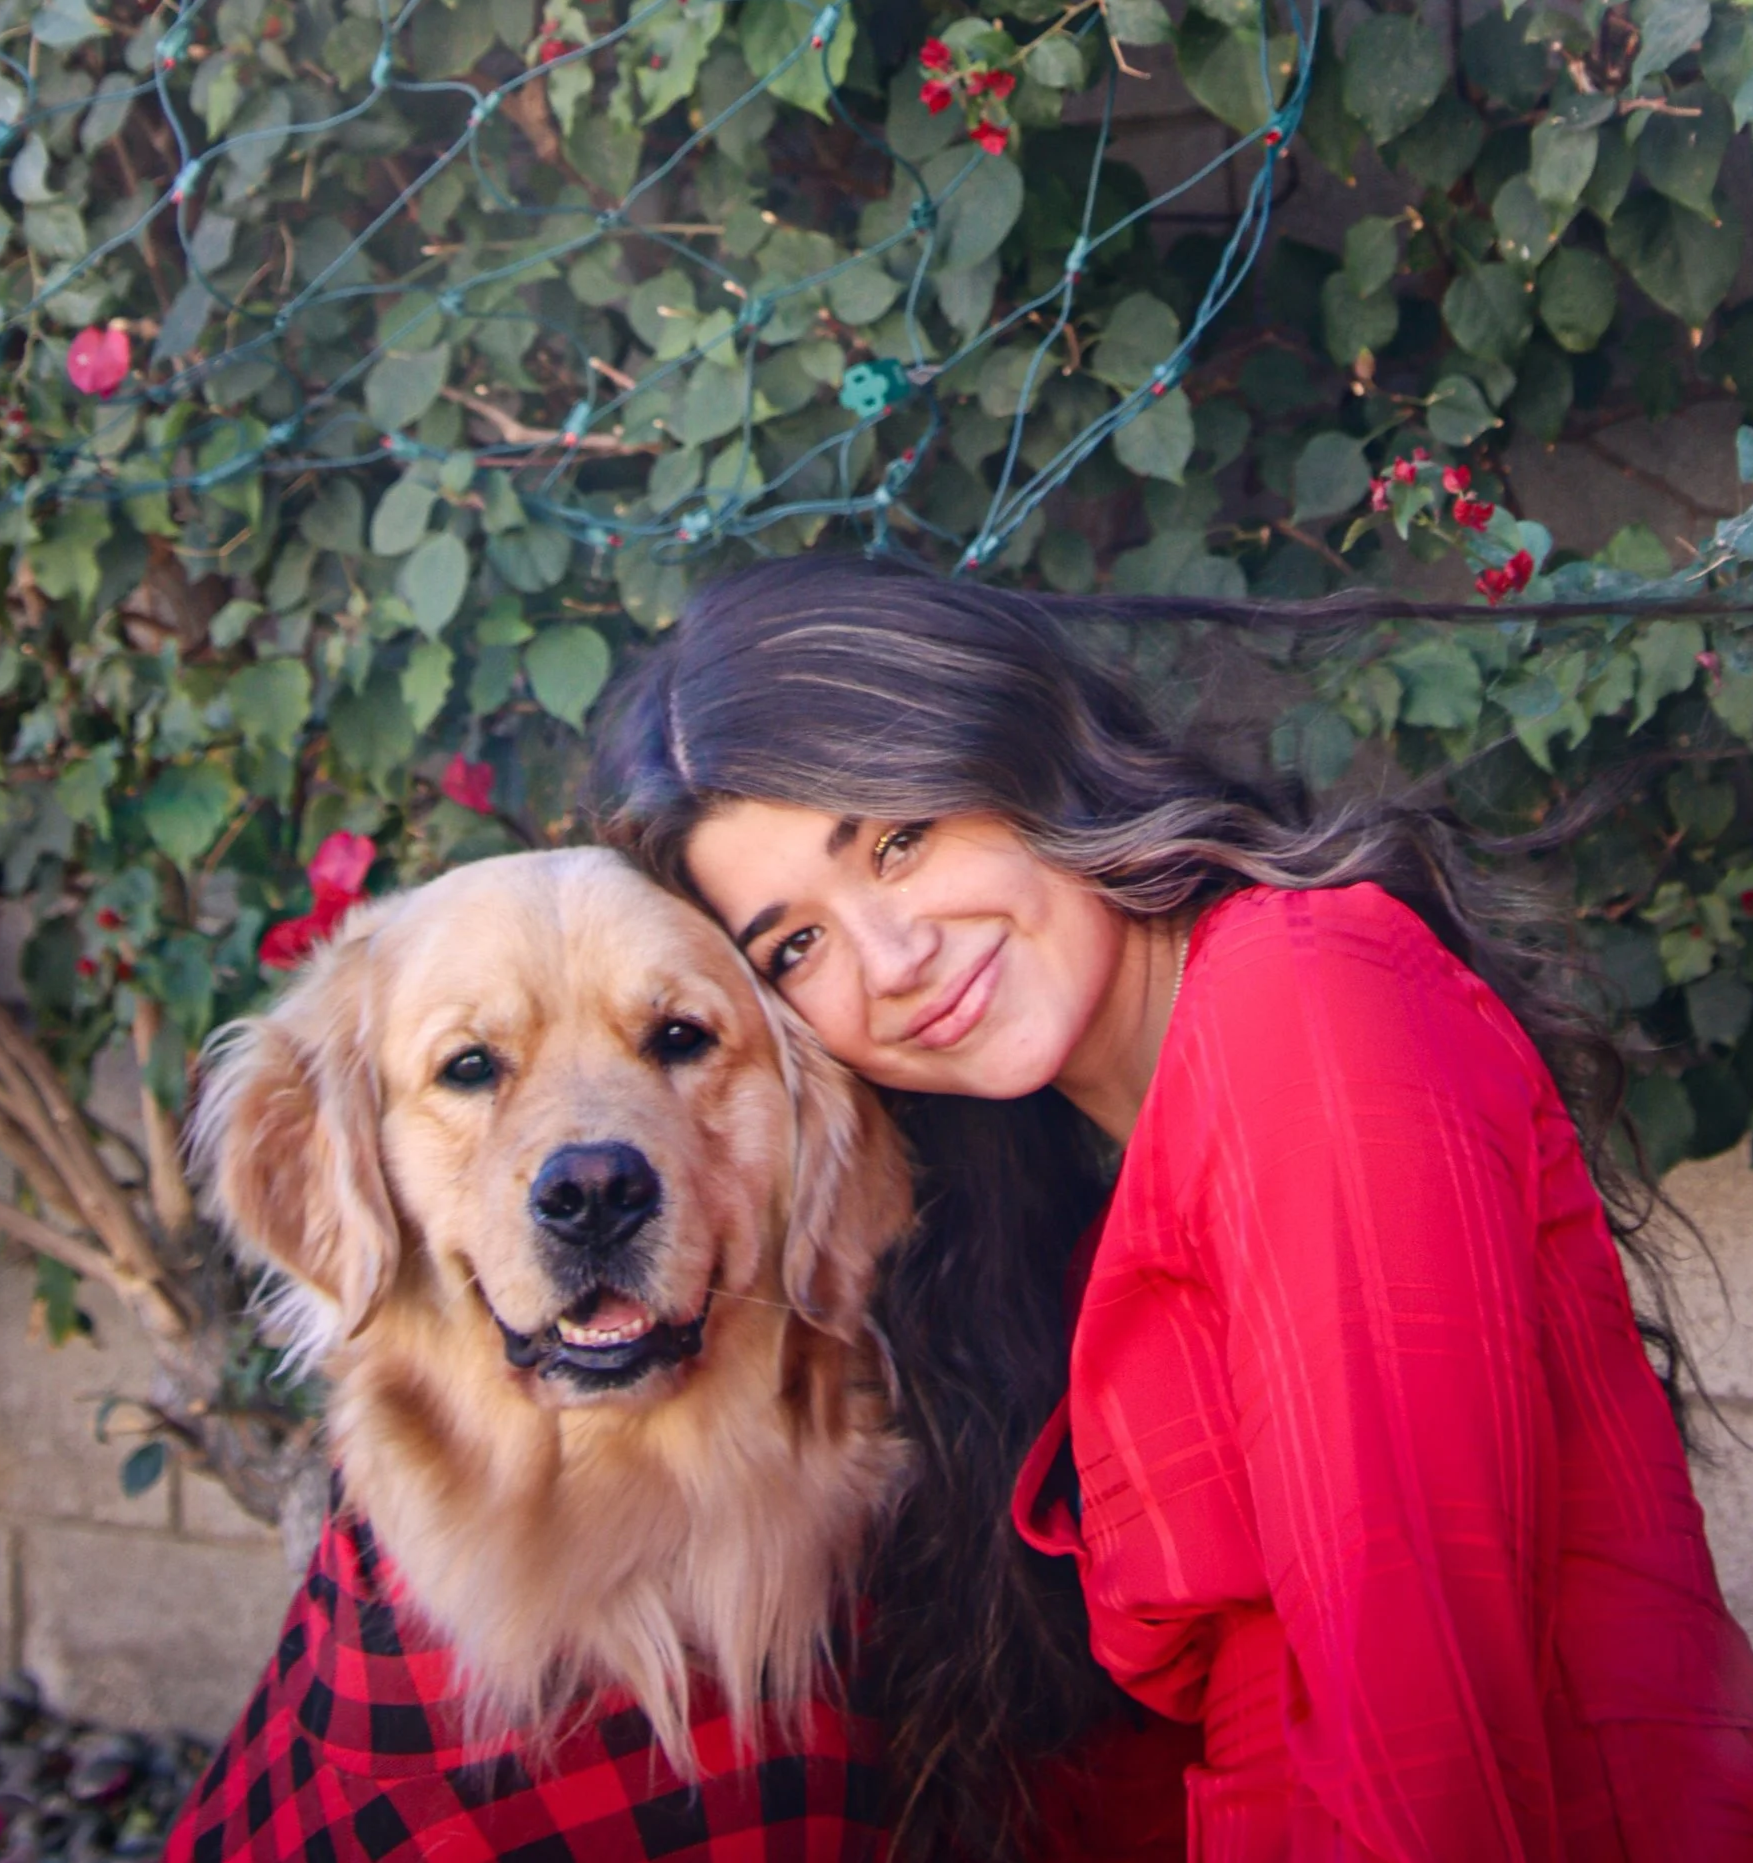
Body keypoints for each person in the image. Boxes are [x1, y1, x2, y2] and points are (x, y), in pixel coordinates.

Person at [596, 555, 1753, 1863]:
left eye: (902, 837)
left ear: (1013, 744)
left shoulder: (1301, 1014)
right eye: (793, 947)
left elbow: (1422, 1744)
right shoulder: (1078, 1183)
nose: (893, 961)